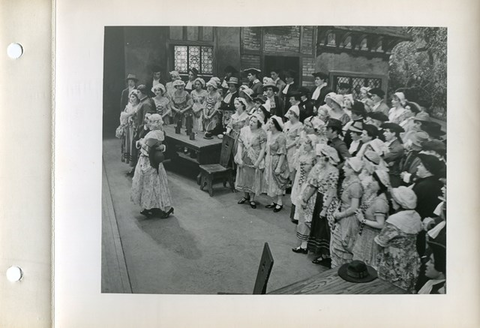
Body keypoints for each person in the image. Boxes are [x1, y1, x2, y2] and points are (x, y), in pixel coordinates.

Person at [375, 186, 423, 293]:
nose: (391, 200)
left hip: (394, 262)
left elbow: (381, 241)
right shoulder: (416, 216)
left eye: (394, 199)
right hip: (411, 260)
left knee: (390, 291)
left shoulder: (394, 220)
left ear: (399, 203)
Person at [299, 145, 339, 268]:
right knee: (318, 226)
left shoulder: (333, 171)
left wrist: (325, 209)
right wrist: (305, 198)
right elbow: (314, 185)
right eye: (320, 156)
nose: (320, 158)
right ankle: (321, 252)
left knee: (325, 228)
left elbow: (332, 191)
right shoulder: (321, 168)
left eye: (323, 156)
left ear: (328, 158)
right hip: (319, 198)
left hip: (328, 201)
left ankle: (326, 255)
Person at [131, 114, 174, 219]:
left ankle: (166, 208)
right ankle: (150, 207)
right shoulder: (155, 132)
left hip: (150, 162)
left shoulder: (154, 134)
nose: (148, 123)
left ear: (156, 123)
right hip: (148, 161)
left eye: (150, 121)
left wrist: (140, 142)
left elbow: (147, 149)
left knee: (152, 184)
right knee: (152, 185)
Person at [352, 170, 390, 269]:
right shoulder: (375, 195)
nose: (370, 182)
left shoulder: (380, 202)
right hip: (366, 233)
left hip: (372, 236)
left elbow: (381, 224)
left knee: (367, 264)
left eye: (374, 181)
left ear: (380, 184)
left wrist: (363, 220)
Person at [330, 157, 364, 267]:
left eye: (346, 166)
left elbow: (354, 208)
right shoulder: (347, 180)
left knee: (343, 246)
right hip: (341, 215)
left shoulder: (355, 186)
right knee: (335, 244)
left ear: (353, 169)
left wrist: (340, 215)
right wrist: (337, 210)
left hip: (348, 219)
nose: (343, 168)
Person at [235, 114, 268, 208]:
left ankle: (252, 199)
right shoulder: (244, 130)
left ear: (259, 124)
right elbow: (240, 145)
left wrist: (258, 161)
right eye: (251, 120)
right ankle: (245, 196)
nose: (251, 123)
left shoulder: (262, 133)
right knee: (244, 176)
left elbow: (263, 149)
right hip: (245, 156)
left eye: (254, 122)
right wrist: (239, 158)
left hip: (255, 157)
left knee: (253, 177)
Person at [264, 116, 289, 213]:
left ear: (276, 125)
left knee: (278, 182)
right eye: (269, 123)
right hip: (269, 160)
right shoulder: (269, 134)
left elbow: (283, 153)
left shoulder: (281, 136)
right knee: (271, 181)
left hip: (277, 160)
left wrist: (279, 167)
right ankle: (273, 201)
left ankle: (279, 202)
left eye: (272, 123)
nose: (269, 125)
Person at [118, 89, 141, 165]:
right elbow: (123, 116)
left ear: (137, 98)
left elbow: (135, 117)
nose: (132, 99)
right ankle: (129, 161)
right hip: (128, 128)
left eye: (134, 97)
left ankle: (134, 163)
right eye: (131, 97)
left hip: (134, 128)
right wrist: (123, 123)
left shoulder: (138, 107)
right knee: (127, 144)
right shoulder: (128, 106)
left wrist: (127, 115)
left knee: (133, 145)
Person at [381, 122, 405, 187]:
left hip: (391, 176)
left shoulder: (397, 148)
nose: (384, 133)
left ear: (393, 133)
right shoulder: (388, 143)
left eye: (386, 131)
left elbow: (383, 159)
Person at [284, 106, 303, 182]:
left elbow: (298, 138)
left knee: (291, 165)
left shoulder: (299, 125)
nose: (289, 116)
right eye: (289, 113)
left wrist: (289, 145)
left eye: (291, 114)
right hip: (284, 146)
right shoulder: (286, 124)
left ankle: (292, 183)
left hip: (293, 148)